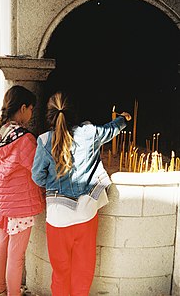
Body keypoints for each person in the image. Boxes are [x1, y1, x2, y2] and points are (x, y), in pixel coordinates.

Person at [31, 91, 131, 296]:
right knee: (83, 272)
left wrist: (52, 182)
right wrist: (124, 118)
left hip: (58, 218)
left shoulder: (43, 141)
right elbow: (112, 129)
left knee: (60, 273)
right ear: (74, 113)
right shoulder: (90, 133)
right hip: (85, 215)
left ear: (49, 115)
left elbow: (37, 177)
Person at [0, 85, 45, 296]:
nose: (31, 115)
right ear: (23, 108)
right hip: (20, 203)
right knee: (16, 255)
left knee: (2, 244)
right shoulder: (24, 139)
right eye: (31, 110)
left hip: (3, 201)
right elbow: (38, 171)